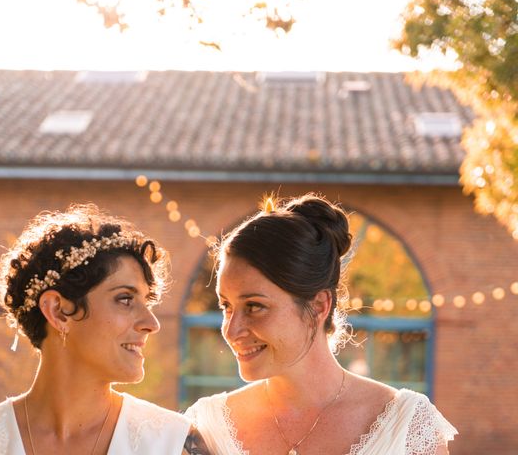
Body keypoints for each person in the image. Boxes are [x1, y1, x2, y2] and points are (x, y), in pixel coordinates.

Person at [186, 194, 457, 455]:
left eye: (254, 307)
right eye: (226, 307)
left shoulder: (407, 428)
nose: (232, 330)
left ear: (319, 305)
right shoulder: (208, 428)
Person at [0, 203, 208, 455]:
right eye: (125, 299)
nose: (152, 323)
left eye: (146, 302)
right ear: (57, 311)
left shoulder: (174, 444)